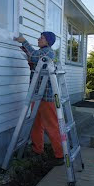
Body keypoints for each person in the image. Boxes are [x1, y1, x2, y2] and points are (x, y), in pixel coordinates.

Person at [14, 32, 64, 166]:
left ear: (47, 41)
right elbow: (34, 57)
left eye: (41, 38)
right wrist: (25, 50)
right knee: (36, 124)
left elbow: (35, 56)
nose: (38, 39)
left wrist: (24, 41)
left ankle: (60, 155)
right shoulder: (43, 52)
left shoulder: (48, 53)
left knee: (52, 126)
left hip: (47, 97)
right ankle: (38, 149)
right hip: (37, 95)